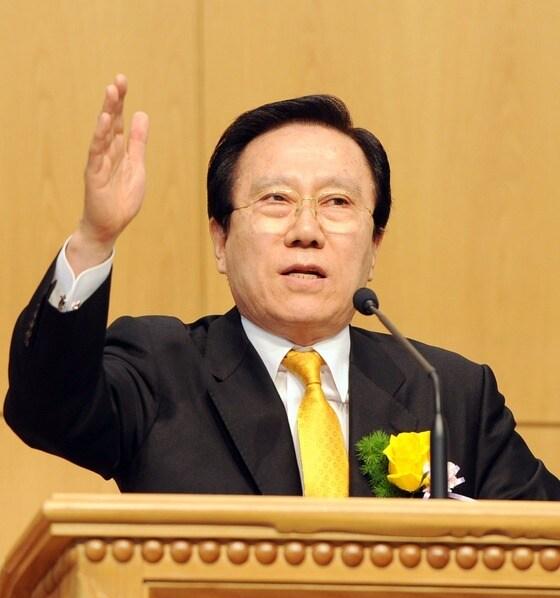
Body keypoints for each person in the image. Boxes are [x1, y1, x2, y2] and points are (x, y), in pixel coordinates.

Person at [4, 75, 560, 499]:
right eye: (276, 200)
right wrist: (94, 238)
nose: (306, 230)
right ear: (221, 240)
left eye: (337, 202)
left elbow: (543, 542)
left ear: (374, 249)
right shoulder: (161, 368)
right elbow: (46, 410)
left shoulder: (447, 392)